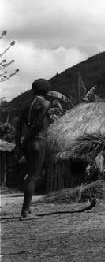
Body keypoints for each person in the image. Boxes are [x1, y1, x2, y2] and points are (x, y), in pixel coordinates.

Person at [15, 78, 52, 219]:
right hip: (38, 141)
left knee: (30, 174)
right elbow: (37, 124)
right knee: (33, 176)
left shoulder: (25, 105)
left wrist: (19, 145)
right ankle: (25, 211)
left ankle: (28, 208)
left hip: (28, 143)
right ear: (46, 90)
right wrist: (29, 136)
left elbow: (18, 128)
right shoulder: (45, 103)